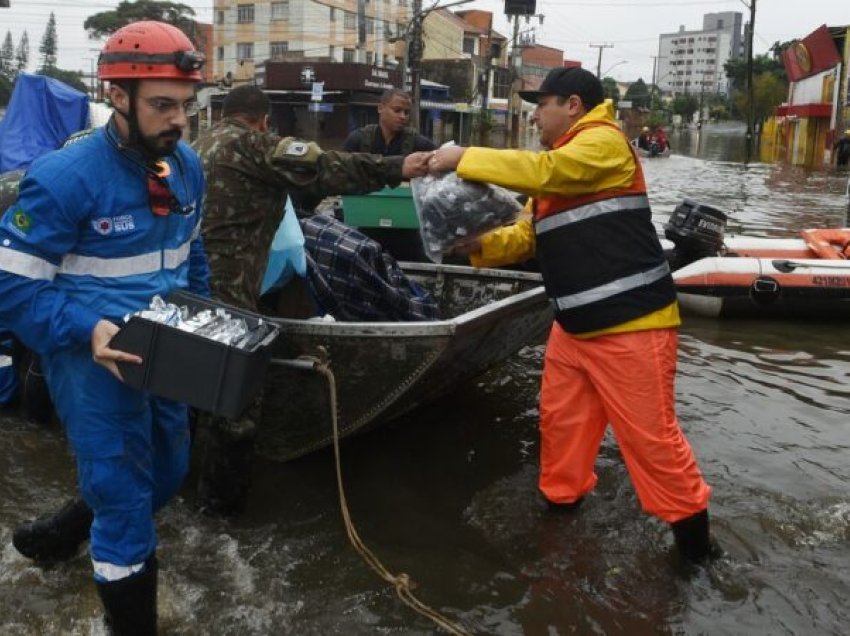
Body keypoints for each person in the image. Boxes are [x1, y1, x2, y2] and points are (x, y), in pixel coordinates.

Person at [427, 66, 717, 563]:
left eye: (543, 104)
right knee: (561, 430)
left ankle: (697, 553)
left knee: (652, 444)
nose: (535, 114)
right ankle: (559, 516)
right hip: (575, 326)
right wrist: (476, 246)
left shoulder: (604, 143)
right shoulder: (562, 162)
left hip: (632, 325)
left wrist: (463, 157)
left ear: (573, 106)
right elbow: (529, 235)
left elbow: (542, 172)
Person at [0, 20, 210, 633]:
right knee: (125, 502)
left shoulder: (187, 166)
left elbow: (189, 254)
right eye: (163, 106)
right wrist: (85, 328)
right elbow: (11, 284)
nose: (179, 121)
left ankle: (69, 527)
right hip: (85, 352)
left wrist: (206, 320)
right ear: (118, 97)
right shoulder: (64, 177)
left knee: (168, 473)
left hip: (163, 344)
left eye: (186, 106)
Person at [190, 84, 433, 517]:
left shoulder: (198, 144)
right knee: (236, 403)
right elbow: (325, 167)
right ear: (263, 120)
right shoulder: (251, 144)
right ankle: (218, 515)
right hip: (229, 292)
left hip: (186, 286)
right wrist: (400, 167)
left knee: (195, 385)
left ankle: (186, 484)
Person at [342, 88, 436, 156]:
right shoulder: (358, 140)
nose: (403, 116)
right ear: (380, 108)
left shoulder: (419, 144)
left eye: (406, 112)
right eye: (397, 110)